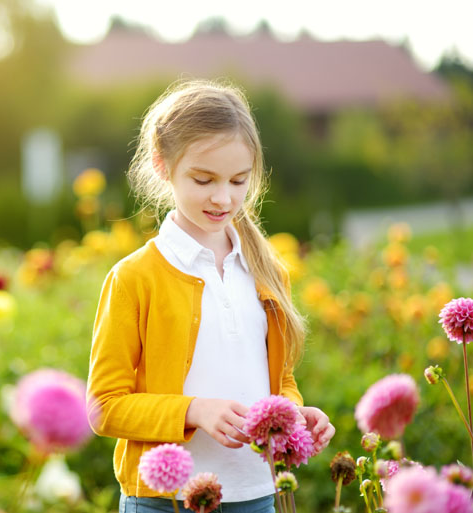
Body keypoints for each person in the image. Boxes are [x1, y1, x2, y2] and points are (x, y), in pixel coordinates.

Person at [86, 79, 335, 513]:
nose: (223, 198)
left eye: (239, 180)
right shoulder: (134, 278)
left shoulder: (267, 270)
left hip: (258, 494)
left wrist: (293, 413)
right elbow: (104, 407)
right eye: (204, 180)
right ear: (162, 165)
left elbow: (280, 381)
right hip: (164, 502)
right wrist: (193, 411)